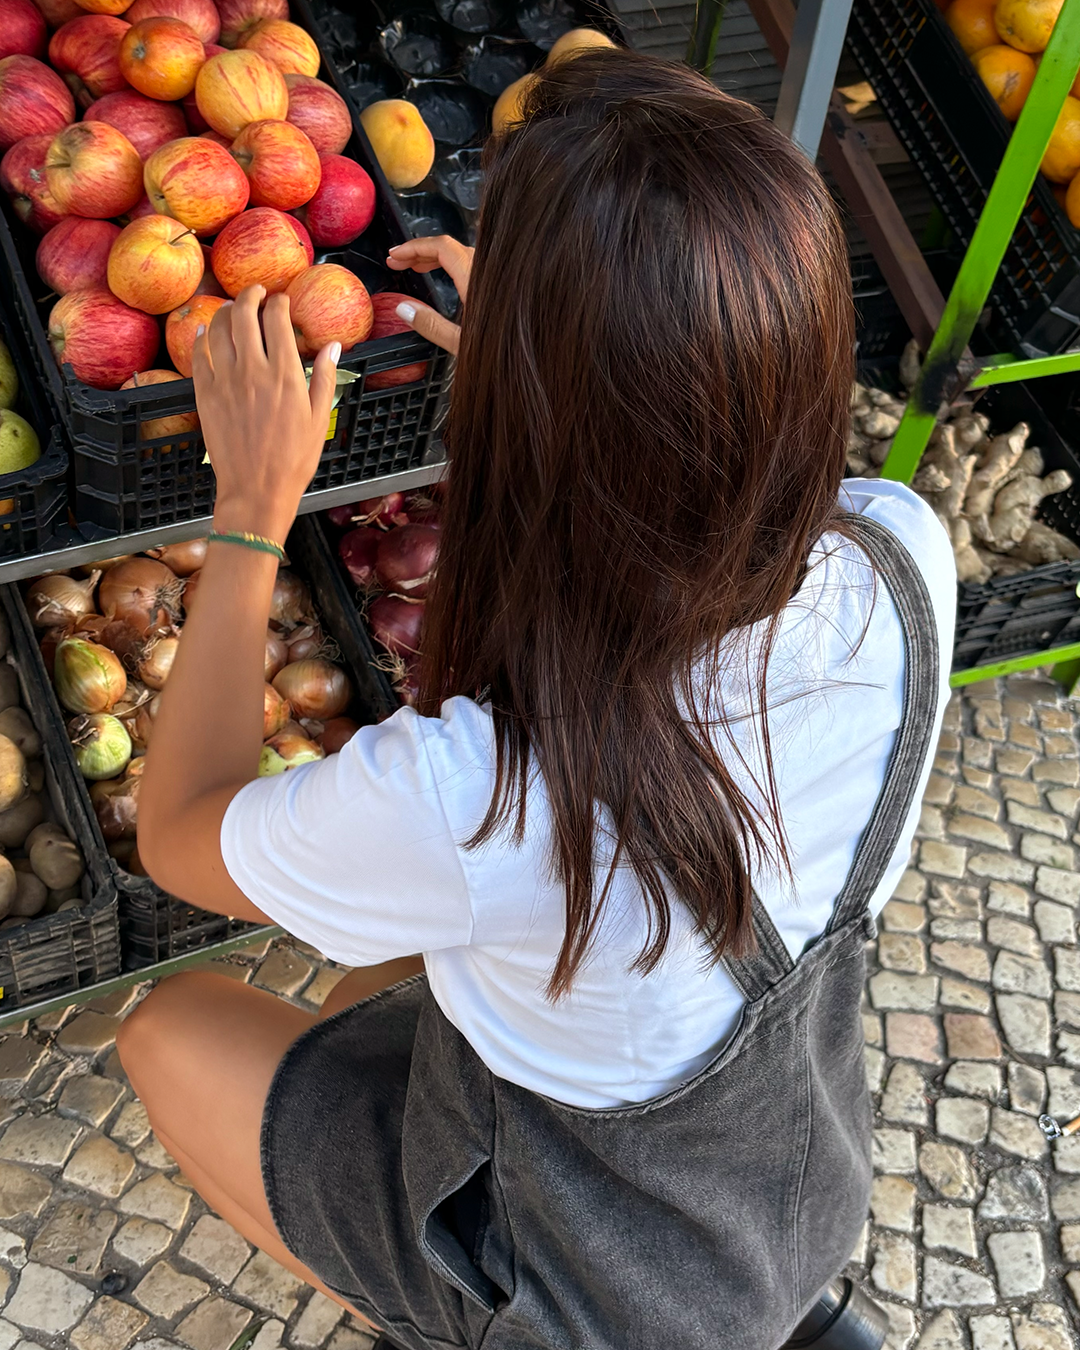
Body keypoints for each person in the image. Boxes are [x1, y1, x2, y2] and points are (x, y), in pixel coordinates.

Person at [117, 48, 956, 1350]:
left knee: (172, 1029)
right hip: (783, 1198)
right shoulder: (899, 554)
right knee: (379, 974)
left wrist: (249, 510)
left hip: (589, 1299)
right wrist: (557, 372)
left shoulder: (484, 797)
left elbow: (177, 836)